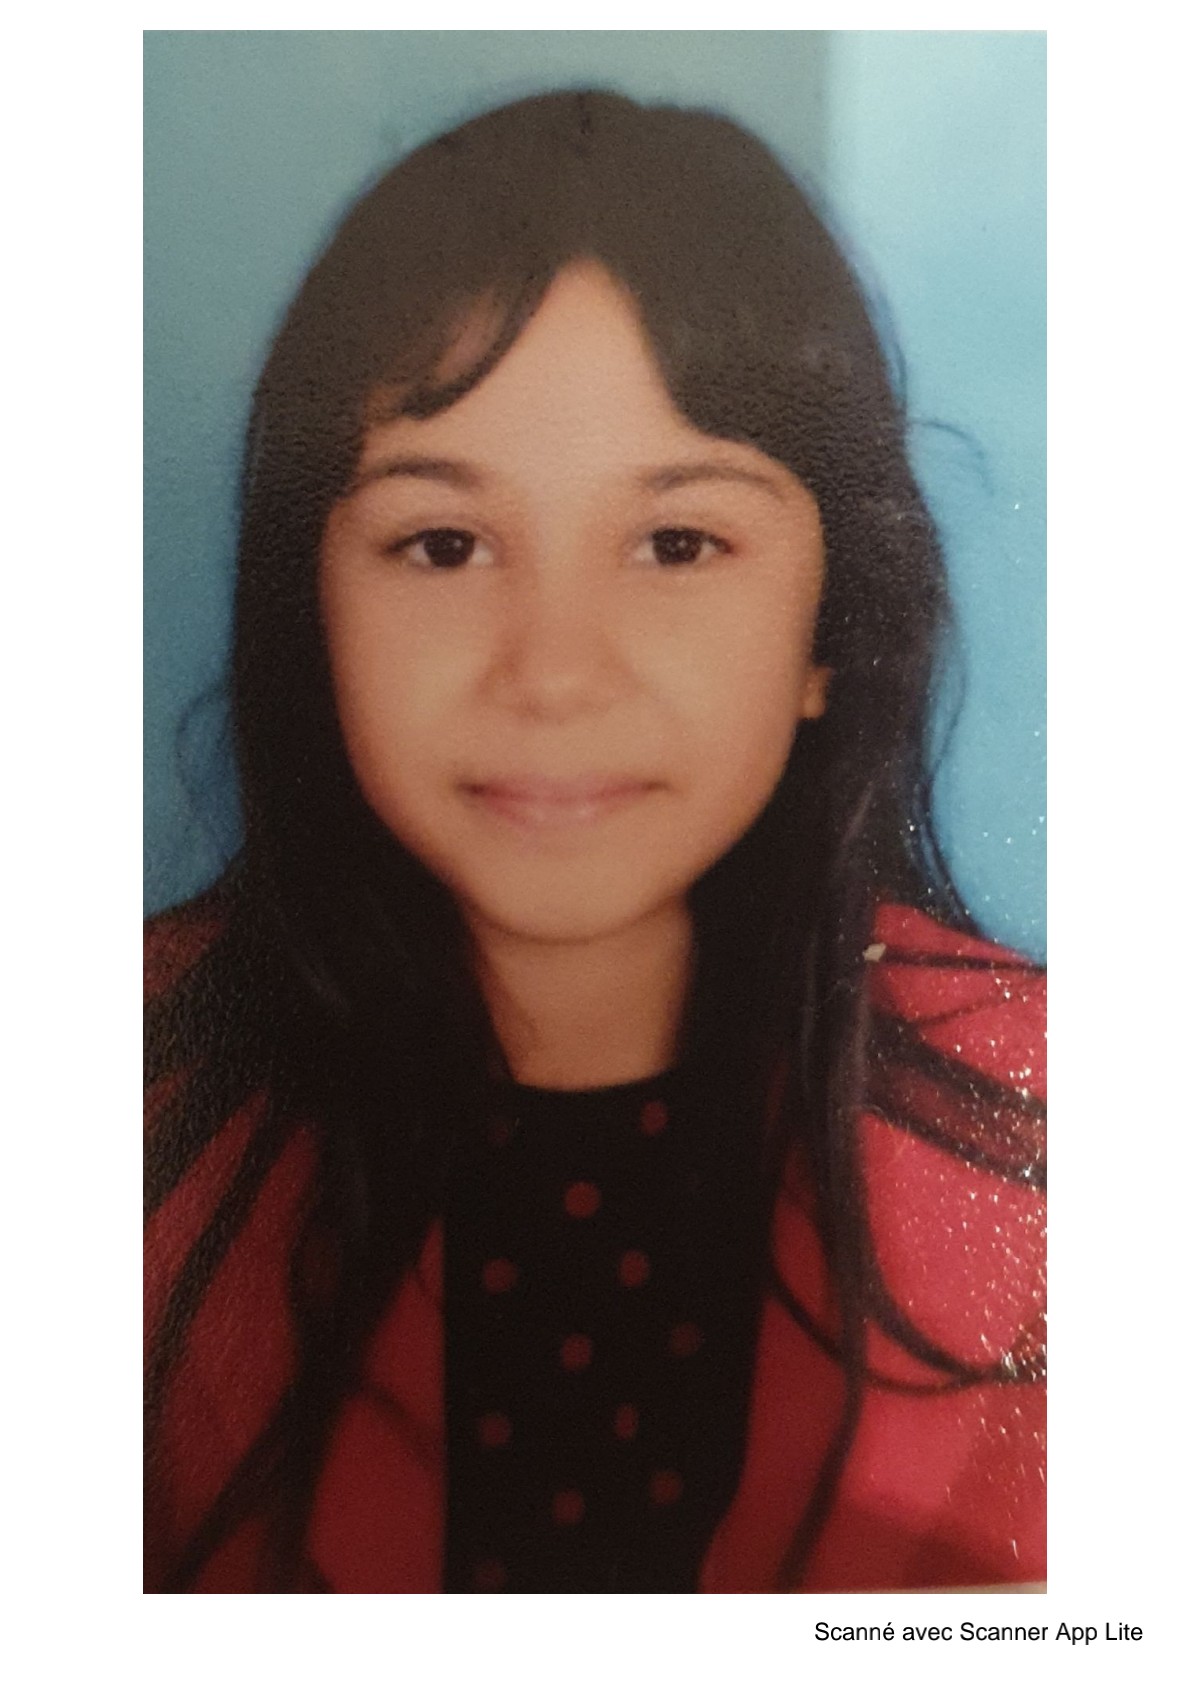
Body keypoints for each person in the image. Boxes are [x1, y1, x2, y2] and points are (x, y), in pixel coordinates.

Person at [144, 89, 1046, 1594]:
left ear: (828, 627)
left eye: (678, 543)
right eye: (442, 544)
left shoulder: (1077, 1128)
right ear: (316, 608)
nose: (553, 674)